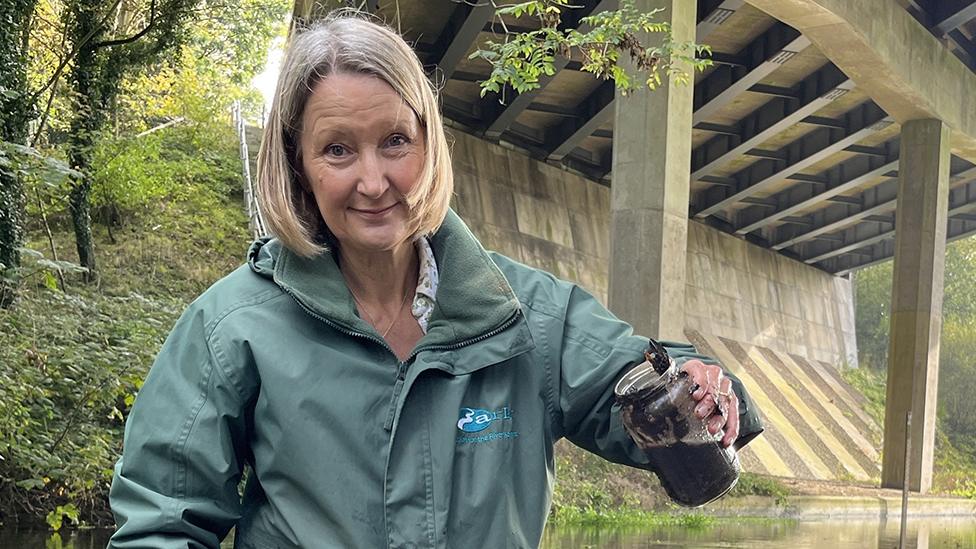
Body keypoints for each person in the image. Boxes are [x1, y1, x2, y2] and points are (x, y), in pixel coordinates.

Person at [108, 12, 763, 549]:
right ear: (298, 164)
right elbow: (161, 526)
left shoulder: (531, 317)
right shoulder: (230, 328)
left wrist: (709, 389)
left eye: (395, 140)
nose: (373, 180)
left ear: (429, 142)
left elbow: (650, 378)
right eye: (337, 149)